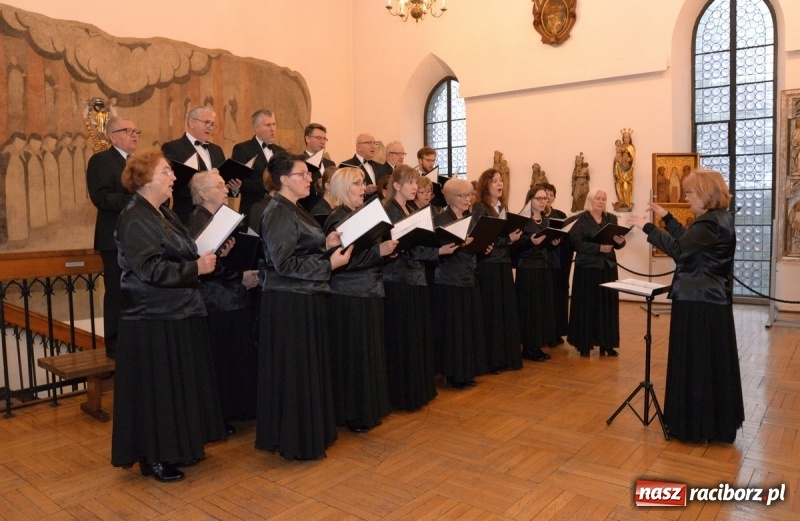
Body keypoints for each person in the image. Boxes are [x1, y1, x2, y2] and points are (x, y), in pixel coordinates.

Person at [111, 150, 226, 483]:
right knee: (158, 391)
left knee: (177, 387)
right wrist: (195, 268)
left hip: (177, 310)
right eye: (166, 171)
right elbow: (148, 269)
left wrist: (203, 256)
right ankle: (154, 456)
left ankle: (178, 447)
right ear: (146, 178)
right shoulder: (134, 216)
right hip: (152, 316)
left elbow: (183, 249)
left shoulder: (161, 213)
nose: (174, 176)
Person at [627, 169, 744, 443]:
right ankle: (712, 423)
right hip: (709, 300)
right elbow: (688, 242)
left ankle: (696, 425)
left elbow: (679, 250)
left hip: (699, 302)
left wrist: (648, 227)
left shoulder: (710, 224)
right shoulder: (717, 220)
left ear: (706, 194)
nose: (687, 197)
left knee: (698, 363)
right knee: (710, 364)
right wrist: (666, 216)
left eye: (690, 192)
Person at [255, 154, 352, 460]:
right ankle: (296, 439)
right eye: (302, 174)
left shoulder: (294, 209)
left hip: (304, 297)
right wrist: (329, 264)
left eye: (309, 175)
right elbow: (283, 263)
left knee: (306, 369)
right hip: (289, 302)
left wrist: (326, 242)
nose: (310, 179)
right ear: (283, 179)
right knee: (295, 372)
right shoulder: (278, 212)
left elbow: (301, 246)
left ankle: (311, 432)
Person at [323, 167, 397, 432]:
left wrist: (387, 250)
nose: (364, 187)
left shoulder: (356, 215)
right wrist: (380, 251)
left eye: (364, 182)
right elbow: (343, 261)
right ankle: (354, 413)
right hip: (350, 295)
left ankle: (369, 408)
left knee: (369, 352)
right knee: (354, 356)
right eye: (357, 183)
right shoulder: (338, 218)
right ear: (343, 188)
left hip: (369, 291)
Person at [187, 170, 260, 434]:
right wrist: (240, 277)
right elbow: (205, 267)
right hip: (217, 302)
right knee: (223, 360)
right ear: (203, 194)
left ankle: (240, 409)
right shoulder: (199, 221)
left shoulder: (218, 219)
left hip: (231, 298)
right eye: (219, 186)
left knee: (237, 356)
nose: (226, 190)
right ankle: (223, 414)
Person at [382, 165, 458, 410]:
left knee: (417, 335)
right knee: (403, 337)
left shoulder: (412, 209)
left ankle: (418, 389)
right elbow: (399, 246)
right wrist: (436, 251)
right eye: (411, 183)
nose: (416, 187)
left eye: (416, 183)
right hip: (398, 280)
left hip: (416, 277)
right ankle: (403, 394)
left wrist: (437, 247)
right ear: (396, 185)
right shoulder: (389, 211)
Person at [86, 116, 138, 358]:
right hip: (114, 237)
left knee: (137, 290)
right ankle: (115, 346)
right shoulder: (101, 161)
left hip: (139, 237)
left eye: (137, 131)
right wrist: (138, 200)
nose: (134, 135)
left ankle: (135, 339)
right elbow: (102, 198)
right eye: (128, 131)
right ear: (112, 135)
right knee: (117, 291)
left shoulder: (138, 163)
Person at [432, 178, 488, 388]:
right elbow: (439, 248)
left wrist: (483, 246)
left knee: (467, 327)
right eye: (463, 196)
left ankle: (466, 371)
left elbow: (473, 244)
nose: (468, 199)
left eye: (470, 195)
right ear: (450, 197)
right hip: (448, 280)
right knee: (453, 329)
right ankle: (453, 373)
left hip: (468, 276)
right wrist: (458, 244)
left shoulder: (470, 217)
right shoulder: (441, 219)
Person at [472, 168, 523, 373]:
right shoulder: (480, 207)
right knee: (492, 311)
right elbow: (482, 237)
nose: (500, 184)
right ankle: (492, 359)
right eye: (495, 181)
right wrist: (508, 239)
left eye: (501, 180)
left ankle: (506, 356)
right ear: (486, 184)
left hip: (502, 263)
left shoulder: (502, 206)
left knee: (504, 311)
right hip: (488, 264)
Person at [568, 188, 626, 357]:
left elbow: (618, 243)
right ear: (590, 201)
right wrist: (599, 248)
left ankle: (607, 344)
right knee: (587, 306)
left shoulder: (611, 218)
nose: (601, 202)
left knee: (607, 305)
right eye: (597, 199)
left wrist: (621, 242)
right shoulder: (581, 220)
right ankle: (584, 344)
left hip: (607, 267)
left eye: (604, 199)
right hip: (587, 269)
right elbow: (575, 243)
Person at [514, 185, 560, 362]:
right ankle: (528, 346)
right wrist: (530, 242)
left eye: (545, 199)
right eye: (539, 198)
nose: (543, 202)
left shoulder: (546, 221)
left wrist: (553, 243)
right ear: (530, 200)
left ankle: (537, 343)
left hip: (543, 268)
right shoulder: (522, 221)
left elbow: (545, 244)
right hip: (528, 269)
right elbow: (515, 247)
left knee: (541, 307)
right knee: (529, 308)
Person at [162, 105, 226, 223]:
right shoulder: (173, 148)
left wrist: (233, 187)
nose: (210, 127)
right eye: (207, 122)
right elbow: (171, 183)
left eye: (212, 124)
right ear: (192, 122)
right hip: (188, 213)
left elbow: (223, 180)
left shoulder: (217, 150)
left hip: (217, 215)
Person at [231, 109, 287, 218]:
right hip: (253, 210)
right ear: (256, 128)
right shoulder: (243, 149)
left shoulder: (281, 152)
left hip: (278, 211)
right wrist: (270, 185)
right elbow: (239, 182)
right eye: (268, 125)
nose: (272, 129)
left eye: (274, 124)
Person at [542, 183, 571, 344]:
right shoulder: (536, 216)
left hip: (559, 262)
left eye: (551, 195)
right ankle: (546, 332)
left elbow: (567, 237)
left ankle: (558, 331)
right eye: (545, 195)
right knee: (547, 298)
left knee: (558, 297)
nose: (548, 199)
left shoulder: (560, 215)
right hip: (545, 261)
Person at [300, 122, 336, 211]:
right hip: (309, 210)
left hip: (331, 211)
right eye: (318, 138)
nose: (323, 142)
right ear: (307, 138)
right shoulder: (300, 163)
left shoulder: (330, 164)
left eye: (325, 139)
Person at [612, 130, 634, 211]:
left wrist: (629, 159)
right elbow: (617, 156)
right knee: (619, 185)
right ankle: (621, 201)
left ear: (630, 138)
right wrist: (617, 161)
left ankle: (627, 202)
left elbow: (633, 159)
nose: (626, 139)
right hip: (620, 169)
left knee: (626, 187)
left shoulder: (631, 148)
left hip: (628, 171)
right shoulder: (620, 147)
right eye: (624, 137)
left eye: (627, 137)